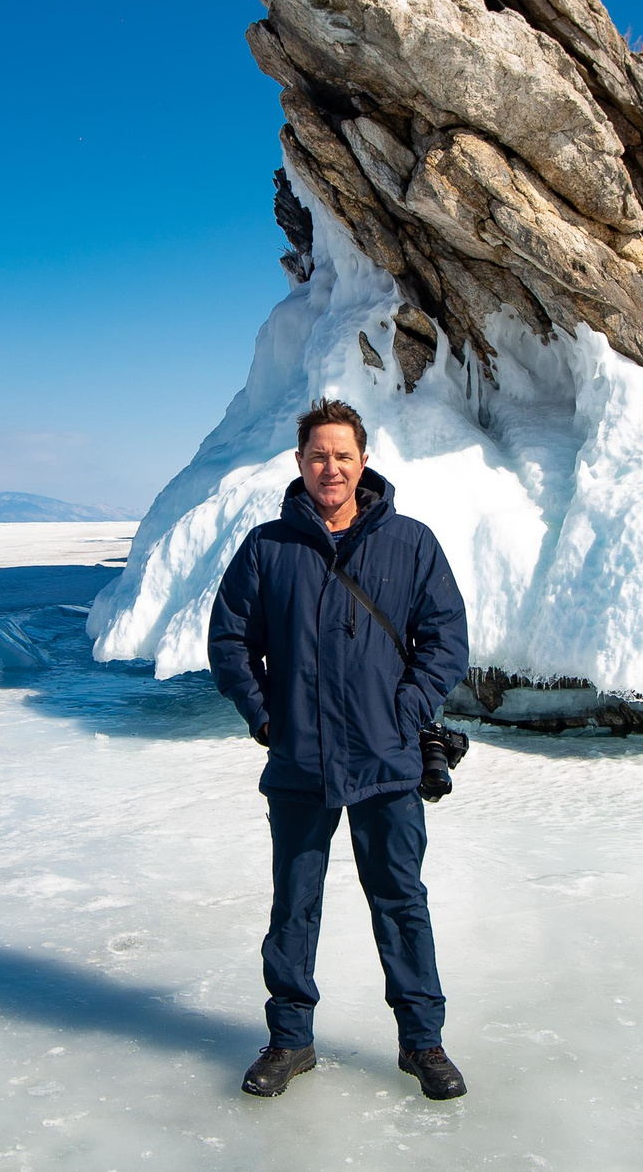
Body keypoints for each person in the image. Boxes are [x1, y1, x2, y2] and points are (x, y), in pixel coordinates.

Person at [207, 397, 473, 1102]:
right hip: (300, 761)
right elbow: (229, 640)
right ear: (299, 463)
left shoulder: (410, 542)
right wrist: (268, 719)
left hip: (386, 759)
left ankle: (424, 1041)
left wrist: (407, 710)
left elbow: (446, 638)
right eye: (318, 455)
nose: (331, 466)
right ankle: (290, 1039)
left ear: (363, 462)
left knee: (400, 899)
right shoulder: (268, 548)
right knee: (294, 902)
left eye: (343, 455)